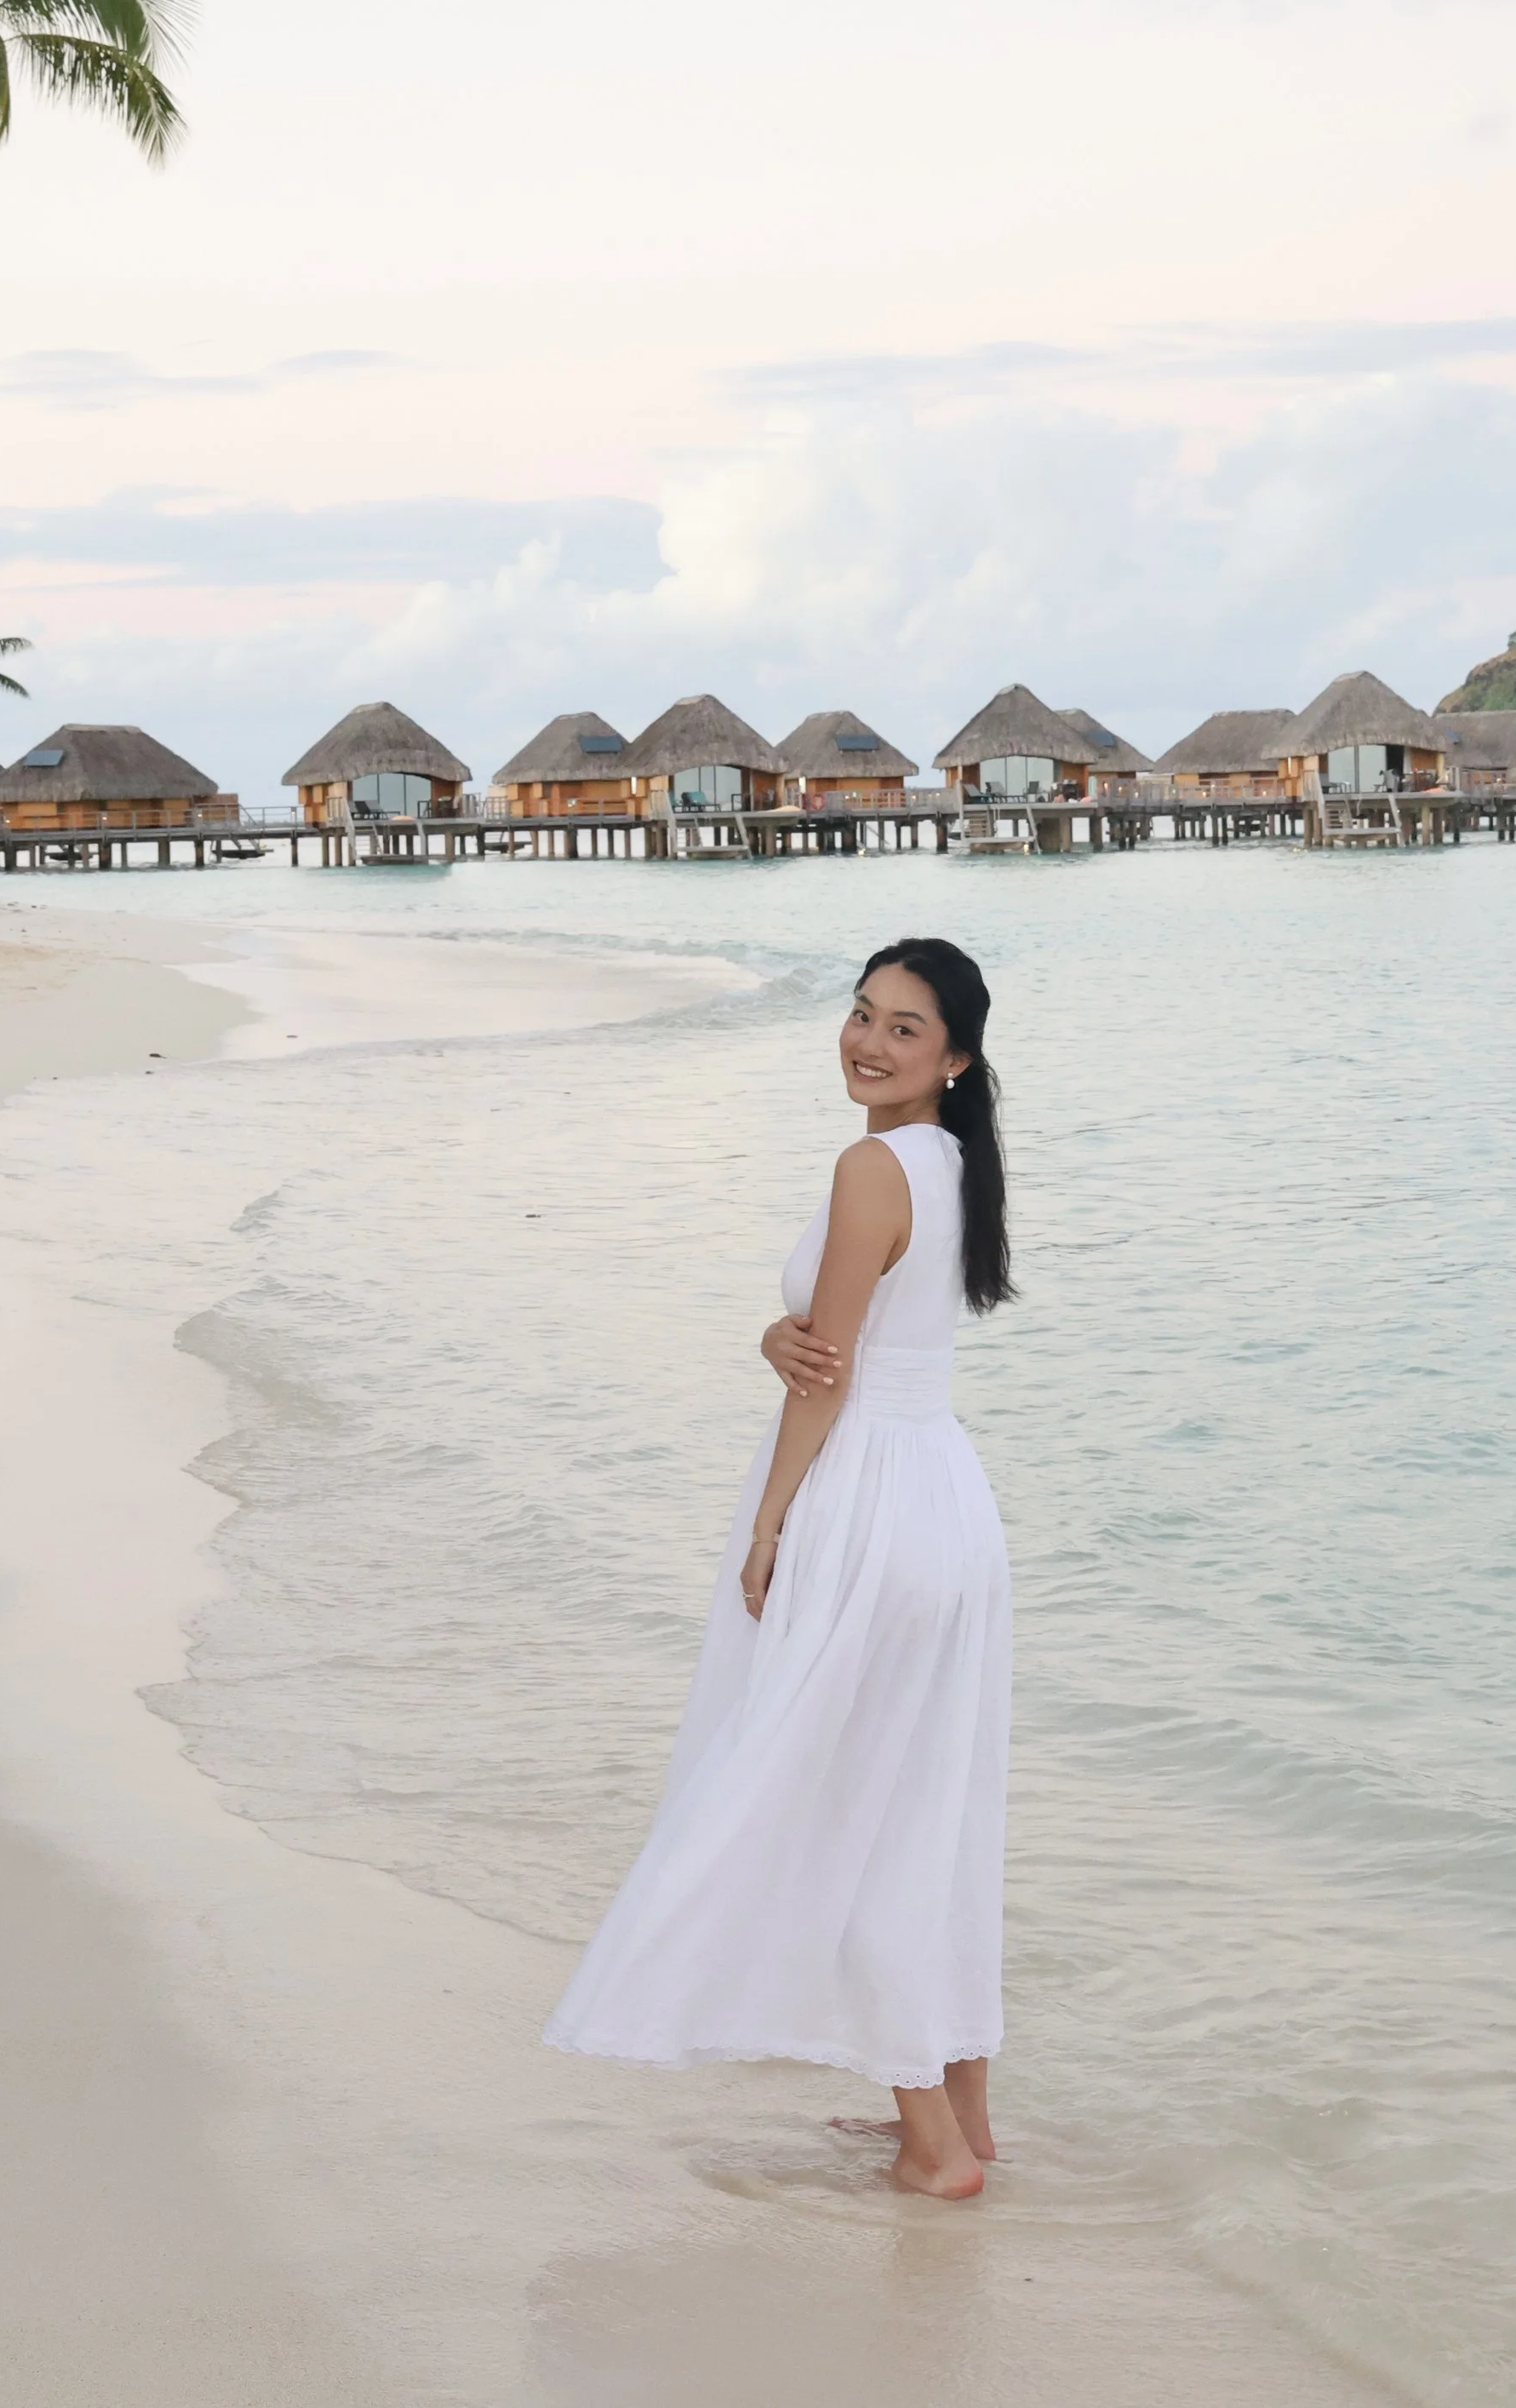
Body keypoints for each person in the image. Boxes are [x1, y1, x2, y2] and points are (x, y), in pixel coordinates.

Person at [543, 937, 1015, 2199]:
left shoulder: (872, 1165)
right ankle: (964, 2114)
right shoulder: (951, 1161)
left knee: (832, 1805)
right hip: (945, 1504)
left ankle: (932, 2146)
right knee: (927, 1813)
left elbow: (830, 1373)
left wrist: (767, 1524)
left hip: (869, 1501)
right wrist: (776, 1332)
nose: (868, 1040)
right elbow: (827, 1340)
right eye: (861, 1014)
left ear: (954, 1056)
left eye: (903, 1028)